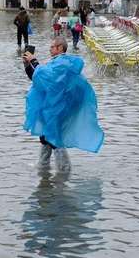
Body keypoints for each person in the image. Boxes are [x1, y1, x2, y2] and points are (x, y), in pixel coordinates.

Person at [22, 37, 104, 171]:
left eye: (52, 47)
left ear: (60, 48)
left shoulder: (64, 63)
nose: (50, 49)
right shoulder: (55, 63)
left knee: (54, 137)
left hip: (59, 108)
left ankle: (64, 171)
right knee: (45, 136)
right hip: (50, 106)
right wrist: (27, 65)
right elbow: (39, 79)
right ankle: (44, 168)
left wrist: (34, 61)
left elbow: (48, 78)